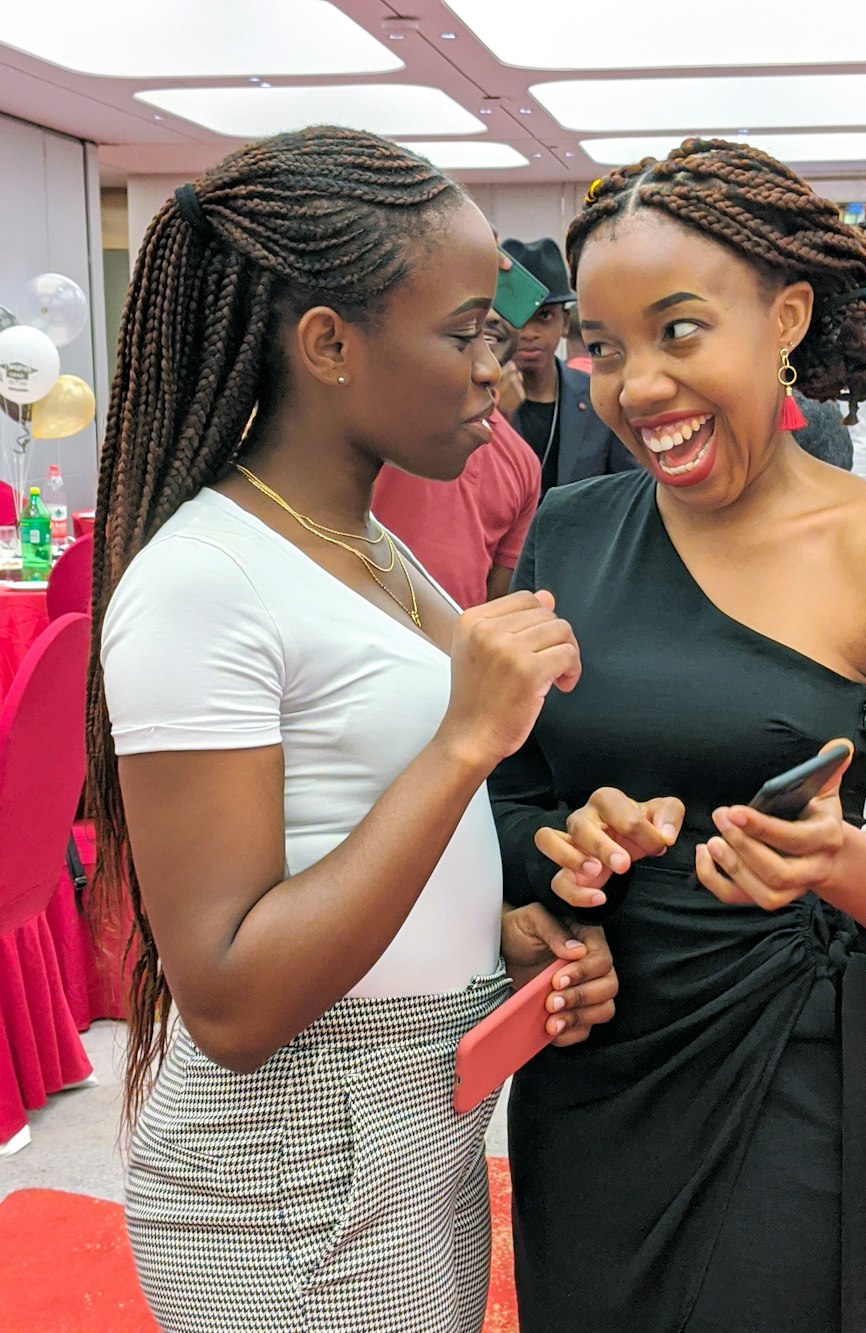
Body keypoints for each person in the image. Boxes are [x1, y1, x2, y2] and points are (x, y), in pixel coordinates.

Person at [86, 125, 618, 1333]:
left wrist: (501, 937)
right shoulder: (204, 579)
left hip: (404, 1143)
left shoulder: (357, 543)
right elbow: (226, 1001)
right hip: (287, 1187)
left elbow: (353, 842)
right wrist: (464, 744)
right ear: (326, 343)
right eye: (465, 328)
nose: (499, 364)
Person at [489, 138, 866, 1333]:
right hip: (593, 1059)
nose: (635, 388)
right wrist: (559, 850)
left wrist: (842, 862)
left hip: (787, 1066)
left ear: (784, 316)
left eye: (678, 332)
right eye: (602, 348)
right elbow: (506, 799)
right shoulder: (566, 532)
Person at [372, 307, 541, 606]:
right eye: (476, 303)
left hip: (451, 650)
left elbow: (495, 600)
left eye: (507, 298)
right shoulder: (382, 414)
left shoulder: (522, 461)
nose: (491, 316)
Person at [502, 236, 636, 493]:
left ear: (564, 323)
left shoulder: (598, 395)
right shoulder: (476, 402)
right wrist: (499, 416)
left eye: (544, 317)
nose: (529, 333)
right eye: (518, 316)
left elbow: (627, 489)